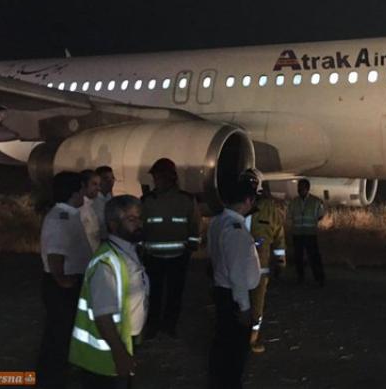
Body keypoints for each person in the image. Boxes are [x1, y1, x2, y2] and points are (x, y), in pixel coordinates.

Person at [69, 195, 149, 389]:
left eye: (139, 218)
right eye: (131, 219)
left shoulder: (128, 252)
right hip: (106, 356)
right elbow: (103, 316)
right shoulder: (106, 263)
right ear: (113, 225)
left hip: (123, 344)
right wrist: (120, 353)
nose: (139, 224)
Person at [37, 172, 92, 388]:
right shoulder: (61, 217)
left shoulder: (69, 214)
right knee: (58, 334)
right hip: (62, 283)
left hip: (65, 281)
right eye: (82, 190)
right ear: (74, 192)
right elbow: (55, 254)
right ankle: (51, 378)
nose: (84, 195)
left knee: (61, 332)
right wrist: (63, 281)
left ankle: (55, 375)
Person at [207, 174, 261, 389]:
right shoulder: (236, 231)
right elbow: (238, 274)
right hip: (233, 295)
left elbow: (212, 257)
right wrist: (245, 307)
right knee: (235, 348)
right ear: (247, 201)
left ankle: (218, 379)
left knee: (221, 340)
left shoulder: (218, 221)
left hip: (221, 289)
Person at [141, 158, 201, 339]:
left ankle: (169, 324)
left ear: (170, 178)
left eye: (158, 177)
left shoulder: (186, 200)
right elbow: (140, 227)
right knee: (154, 293)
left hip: (177, 256)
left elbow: (194, 225)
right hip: (154, 256)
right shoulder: (147, 201)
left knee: (174, 293)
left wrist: (192, 244)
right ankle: (154, 324)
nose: (155, 181)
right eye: (155, 177)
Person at [249, 181, 286, 353]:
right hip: (238, 268)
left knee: (256, 305)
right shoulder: (236, 208)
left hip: (258, 270)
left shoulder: (270, 211)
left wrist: (280, 261)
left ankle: (252, 338)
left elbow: (279, 238)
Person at [287, 179, 326, 286]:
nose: (300, 190)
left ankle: (319, 278)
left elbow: (320, 215)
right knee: (298, 257)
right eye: (299, 188)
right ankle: (301, 277)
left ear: (307, 188)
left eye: (302, 188)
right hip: (298, 234)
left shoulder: (316, 201)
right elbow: (289, 215)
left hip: (310, 234)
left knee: (314, 257)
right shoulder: (294, 202)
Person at [80, 169, 102, 252]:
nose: (98, 188)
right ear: (83, 185)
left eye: (99, 185)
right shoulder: (79, 208)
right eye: (94, 184)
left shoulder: (90, 206)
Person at [93, 165, 115, 240]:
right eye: (106, 179)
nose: (110, 181)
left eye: (112, 178)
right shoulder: (93, 200)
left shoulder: (110, 196)